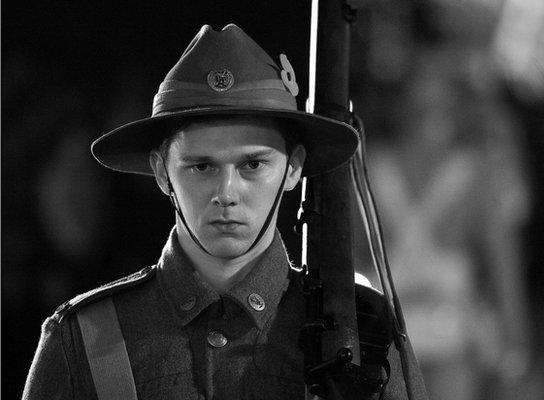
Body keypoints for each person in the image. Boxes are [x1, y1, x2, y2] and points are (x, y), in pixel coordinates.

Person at [22, 24, 428, 400]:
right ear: (162, 172)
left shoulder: (363, 333)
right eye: (202, 166)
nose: (226, 193)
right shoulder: (86, 339)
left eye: (252, 165)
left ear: (294, 167)